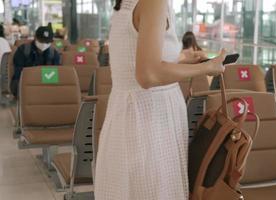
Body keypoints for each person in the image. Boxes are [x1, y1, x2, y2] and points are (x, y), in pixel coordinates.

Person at [94, 0, 225, 199]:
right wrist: (206, 68)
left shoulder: (127, 4)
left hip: (129, 116)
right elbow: (148, 75)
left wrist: (181, 62)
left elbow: (136, 60)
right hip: (150, 122)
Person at [11, 23, 60, 97]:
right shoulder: (23, 50)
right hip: (25, 85)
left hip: (46, 88)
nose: (44, 44)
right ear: (35, 38)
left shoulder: (53, 54)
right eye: (42, 41)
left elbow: (56, 75)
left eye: (47, 42)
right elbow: (18, 74)